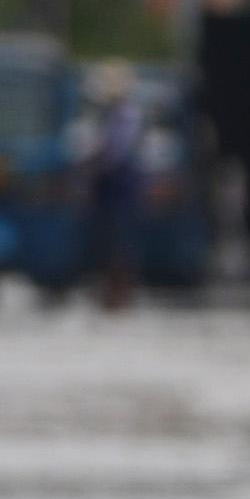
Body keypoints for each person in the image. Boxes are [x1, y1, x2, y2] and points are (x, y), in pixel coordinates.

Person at [80, 59, 149, 312]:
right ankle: (108, 291)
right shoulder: (105, 115)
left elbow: (115, 154)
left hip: (120, 185)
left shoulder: (128, 114)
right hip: (108, 185)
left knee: (120, 240)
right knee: (106, 239)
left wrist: (95, 161)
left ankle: (119, 291)